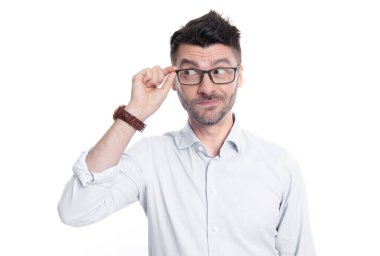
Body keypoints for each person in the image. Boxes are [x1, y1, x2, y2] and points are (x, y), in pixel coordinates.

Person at [58, 10, 316, 256]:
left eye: (219, 71)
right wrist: (134, 112)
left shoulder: (280, 165)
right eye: (190, 72)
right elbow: (75, 210)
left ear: (239, 76)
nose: (207, 87)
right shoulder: (151, 158)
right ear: (174, 80)